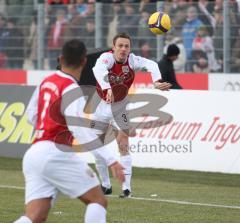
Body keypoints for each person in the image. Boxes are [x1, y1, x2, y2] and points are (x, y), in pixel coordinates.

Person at [14, 39, 125, 223]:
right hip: (55, 152)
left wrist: (47, 128)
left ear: (60, 58)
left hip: (34, 153)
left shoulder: (46, 81)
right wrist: (111, 160)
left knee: (35, 217)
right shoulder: (71, 89)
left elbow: (31, 114)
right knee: (98, 200)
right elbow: (80, 129)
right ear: (84, 62)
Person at [91, 33, 172, 198]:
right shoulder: (106, 59)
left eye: (126, 46)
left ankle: (126, 189)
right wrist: (107, 88)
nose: (123, 49)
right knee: (96, 146)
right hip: (101, 106)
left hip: (120, 107)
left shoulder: (133, 60)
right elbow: (97, 69)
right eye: (120, 46)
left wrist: (156, 81)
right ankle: (106, 185)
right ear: (113, 48)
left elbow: (152, 64)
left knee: (123, 143)